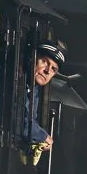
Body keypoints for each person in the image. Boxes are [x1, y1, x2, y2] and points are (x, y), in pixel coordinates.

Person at [23, 37, 67, 165]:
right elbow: (19, 123)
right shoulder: (17, 81)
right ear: (33, 58)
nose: (47, 71)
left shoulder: (34, 89)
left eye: (53, 69)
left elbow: (31, 119)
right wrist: (44, 137)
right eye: (44, 62)